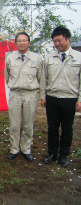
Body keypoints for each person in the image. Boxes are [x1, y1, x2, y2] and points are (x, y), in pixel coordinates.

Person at [40, 26, 81, 167]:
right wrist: (42, 96)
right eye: (54, 41)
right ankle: (52, 154)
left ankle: (64, 155)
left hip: (70, 98)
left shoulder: (78, 57)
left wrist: (80, 99)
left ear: (68, 39)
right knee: (52, 127)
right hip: (52, 98)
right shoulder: (49, 58)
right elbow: (44, 79)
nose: (57, 44)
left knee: (67, 129)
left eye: (59, 40)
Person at [4, 32, 42, 162]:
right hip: (15, 93)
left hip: (30, 94)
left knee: (28, 124)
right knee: (14, 124)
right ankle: (14, 149)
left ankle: (26, 149)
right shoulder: (10, 58)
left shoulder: (37, 58)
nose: (22, 43)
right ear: (15, 43)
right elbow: (7, 77)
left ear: (29, 42)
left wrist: (41, 95)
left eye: (24, 40)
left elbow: (41, 78)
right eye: (19, 41)